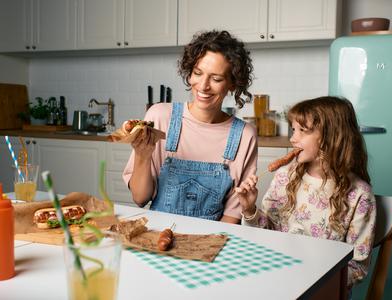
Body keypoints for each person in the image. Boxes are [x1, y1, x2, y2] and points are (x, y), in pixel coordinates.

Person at [236, 96, 376, 289]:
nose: (293, 138)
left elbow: (357, 266)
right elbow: (266, 235)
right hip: (276, 276)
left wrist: (310, 282)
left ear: (332, 136)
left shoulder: (360, 195)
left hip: (325, 288)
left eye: (303, 130)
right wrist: (250, 208)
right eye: (293, 129)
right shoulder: (285, 176)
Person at [123, 30, 257, 224]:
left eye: (216, 79)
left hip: (211, 242)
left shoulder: (245, 135)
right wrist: (142, 156)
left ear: (232, 84)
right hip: (157, 235)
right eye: (198, 73)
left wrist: (206, 248)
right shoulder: (159, 116)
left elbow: (232, 216)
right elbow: (140, 199)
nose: (203, 86)